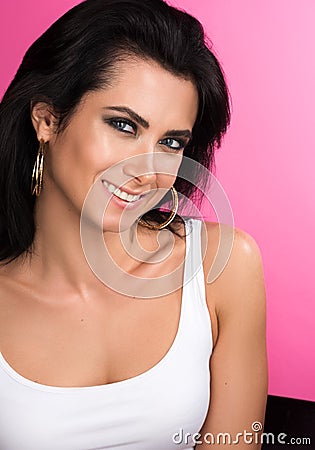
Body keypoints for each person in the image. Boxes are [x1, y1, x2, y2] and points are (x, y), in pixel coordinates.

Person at [0, 0, 267, 448]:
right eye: (123, 125)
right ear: (47, 119)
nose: (148, 169)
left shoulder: (221, 269)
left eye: (170, 141)